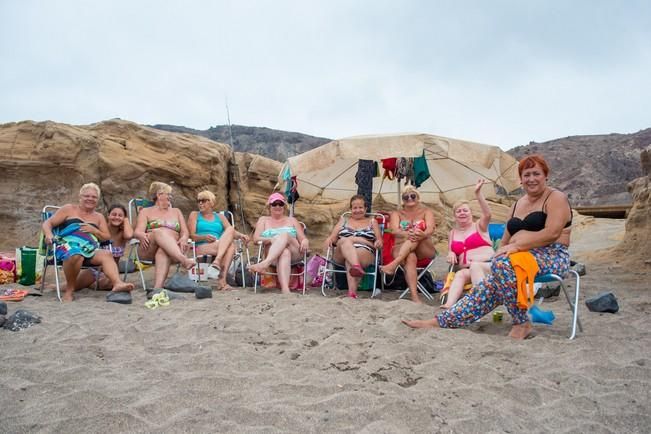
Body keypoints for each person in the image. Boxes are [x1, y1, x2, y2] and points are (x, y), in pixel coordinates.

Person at [403, 154, 573, 339]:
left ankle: (522, 322)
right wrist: (503, 250)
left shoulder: (556, 198)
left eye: (536, 174)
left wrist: (516, 247)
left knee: (502, 266)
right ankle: (443, 320)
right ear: (521, 179)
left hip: (552, 255)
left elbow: (552, 233)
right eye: (526, 175)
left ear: (545, 176)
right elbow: (507, 236)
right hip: (517, 258)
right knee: (486, 288)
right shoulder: (517, 204)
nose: (531, 179)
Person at [41, 183, 134, 301]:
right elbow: (48, 223)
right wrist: (49, 234)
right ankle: (70, 290)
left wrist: (95, 231)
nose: (90, 199)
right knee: (76, 254)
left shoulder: (99, 217)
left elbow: (106, 237)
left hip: (89, 248)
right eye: (87, 196)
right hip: (68, 245)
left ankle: (117, 283)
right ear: (80, 197)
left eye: (94, 197)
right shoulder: (69, 209)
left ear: (97, 200)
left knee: (106, 254)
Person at [441, 179, 495, 308]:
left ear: (471, 213)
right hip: (468, 270)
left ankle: (480, 302)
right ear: (455, 216)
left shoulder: (479, 226)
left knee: (476, 266)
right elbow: (451, 250)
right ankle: (449, 304)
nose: (462, 213)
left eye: (465, 210)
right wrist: (451, 252)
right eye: (458, 211)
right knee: (460, 274)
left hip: (488, 266)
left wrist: (478, 194)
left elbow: (488, 214)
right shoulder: (453, 233)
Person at [379, 186, 437, 303]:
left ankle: (394, 264)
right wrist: (406, 234)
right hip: (400, 247)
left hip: (423, 247)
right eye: (406, 197)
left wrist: (422, 234)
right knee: (410, 257)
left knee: (416, 234)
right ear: (403, 199)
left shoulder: (426, 212)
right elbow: (394, 230)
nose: (409, 198)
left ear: (418, 197)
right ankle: (415, 297)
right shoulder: (397, 213)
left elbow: (431, 228)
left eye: (413, 196)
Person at [133, 181, 195, 289]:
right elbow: (138, 231)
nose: (171, 197)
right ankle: (184, 260)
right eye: (168, 194)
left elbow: (185, 232)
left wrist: (184, 238)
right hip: (148, 248)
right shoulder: (145, 211)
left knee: (163, 250)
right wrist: (141, 235)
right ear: (159, 195)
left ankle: (157, 289)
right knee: (158, 231)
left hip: (173, 250)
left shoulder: (176, 211)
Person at [248, 192, 309, 294]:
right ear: (269, 206)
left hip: (295, 251)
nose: (277, 206)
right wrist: (271, 239)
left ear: (284, 206)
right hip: (273, 255)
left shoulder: (292, 220)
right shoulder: (263, 220)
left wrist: (306, 241)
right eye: (274, 204)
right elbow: (255, 239)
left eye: (280, 204)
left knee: (285, 234)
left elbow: (303, 238)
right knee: (284, 252)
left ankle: (264, 264)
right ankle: (285, 289)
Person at [187, 190, 249, 290]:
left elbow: (232, 232)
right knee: (231, 247)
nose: (200, 203)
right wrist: (204, 237)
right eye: (198, 201)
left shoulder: (220, 217)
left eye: (203, 200)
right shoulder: (194, 215)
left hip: (218, 245)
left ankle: (218, 264)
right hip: (201, 246)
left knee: (230, 232)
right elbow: (191, 235)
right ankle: (222, 280)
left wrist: (242, 235)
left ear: (211, 202)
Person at [323, 195, 383, 299]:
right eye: (355, 208)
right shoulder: (343, 221)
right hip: (341, 252)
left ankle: (352, 293)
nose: (357, 210)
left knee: (349, 258)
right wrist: (329, 240)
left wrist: (357, 239)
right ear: (351, 209)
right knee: (345, 241)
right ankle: (357, 267)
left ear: (365, 208)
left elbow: (379, 242)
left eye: (360, 207)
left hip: (364, 251)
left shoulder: (372, 222)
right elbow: (332, 239)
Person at [76, 204, 134, 290]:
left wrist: (126, 220)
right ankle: (89, 285)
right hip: (94, 271)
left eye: (120, 215)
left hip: (111, 275)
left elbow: (129, 235)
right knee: (72, 287)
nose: (116, 217)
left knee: (110, 284)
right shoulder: (100, 230)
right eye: (114, 214)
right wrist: (96, 231)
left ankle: (92, 285)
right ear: (108, 215)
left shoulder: (122, 233)